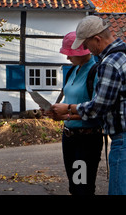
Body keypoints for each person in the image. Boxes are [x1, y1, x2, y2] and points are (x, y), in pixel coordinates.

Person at [51, 16, 126, 195]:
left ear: (97, 39)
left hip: (114, 139)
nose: (86, 49)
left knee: (87, 188)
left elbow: (98, 107)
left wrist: (68, 110)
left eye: (86, 44)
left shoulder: (107, 64)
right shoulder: (123, 55)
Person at [46, 31, 103, 195]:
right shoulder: (72, 71)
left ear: (82, 51)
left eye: (70, 54)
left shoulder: (96, 72)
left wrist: (67, 114)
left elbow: (96, 111)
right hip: (69, 138)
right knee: (74, 186)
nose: (67, 58)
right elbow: (69, 102)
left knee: (82, 187)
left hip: (86, 139)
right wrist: (56, 111)